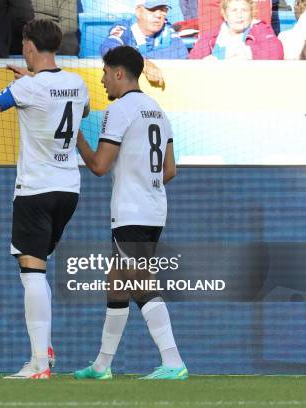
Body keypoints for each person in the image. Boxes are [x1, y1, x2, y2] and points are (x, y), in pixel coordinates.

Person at [0, 19, 89, 379]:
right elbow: (82, 112)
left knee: (31, 274)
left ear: (29, 47)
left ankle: (39, 364)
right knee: (38, 269)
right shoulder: (77, 83)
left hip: (36, 189)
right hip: (69, 190)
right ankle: (43, 350)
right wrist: (26, 86)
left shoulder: (30, 87)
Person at [73, 45, 187, 381]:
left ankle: (172, 361)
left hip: (132, 213)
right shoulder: (157, 110)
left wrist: (74, 136)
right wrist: (144, 179)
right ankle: (101, 366)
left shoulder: (120, 110)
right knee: (120, 284)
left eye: (106, 73)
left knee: (135, 284)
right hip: (153, 209)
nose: (103, 80)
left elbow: (98, 165)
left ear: (120, 73)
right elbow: (170, 170)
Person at [189, 0, 283, 59]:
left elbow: (276, 52)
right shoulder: (212, 35)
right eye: (234, 10)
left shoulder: (261, 30)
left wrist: (250, 54)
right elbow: (193, 58)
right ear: (225, 15)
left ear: (251, 13)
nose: (239, 15)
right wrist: (205, 62)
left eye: (244, 10)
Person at [99, 0, 189, 60]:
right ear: (138, 12)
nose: (158, 15)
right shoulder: (125, 27)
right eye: (152, 9)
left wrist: (137, 60)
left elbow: (181, 54)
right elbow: (109, 50)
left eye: (162, 9)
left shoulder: (167, 29)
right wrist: (143, 64)